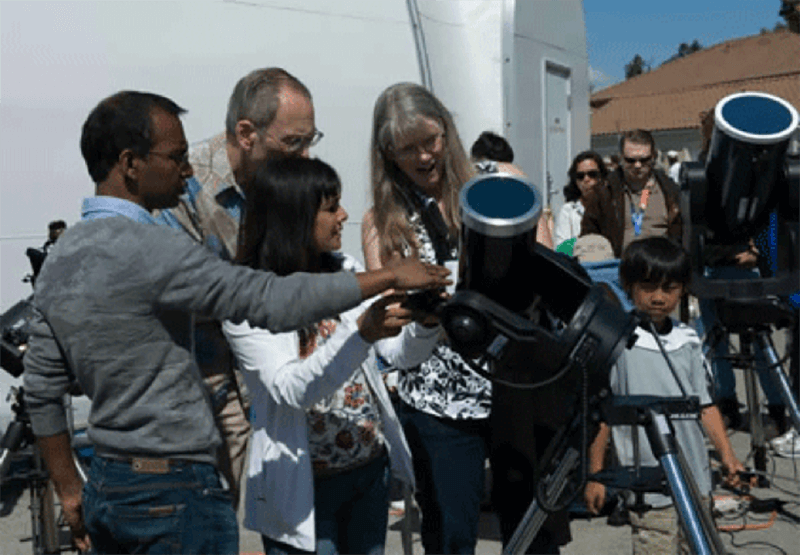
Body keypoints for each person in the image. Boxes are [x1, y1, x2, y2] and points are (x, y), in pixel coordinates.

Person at [22, 90, 449, 555]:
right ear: (130, 163)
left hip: (108, 481)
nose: (187, 172)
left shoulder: (61, 257)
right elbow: (264, 299)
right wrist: (386, 275)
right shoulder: (158, 249)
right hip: (174, 492)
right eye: (177, 158)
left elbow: (42, 385)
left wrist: (69, 487)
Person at [223, 157, 441, 555]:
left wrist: (425, 325)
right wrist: (360, 333)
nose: (344, 215)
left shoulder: (346, 271)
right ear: (294, 217)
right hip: (305, 489)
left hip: (368, 473)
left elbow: (394, 355)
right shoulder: (248, 302)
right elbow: (290, 389)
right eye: (330, 207)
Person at [154, 67, 322, 507]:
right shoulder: (184, 186)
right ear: (246, 133)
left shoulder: (286, 182)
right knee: (208, 507)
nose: (305, 157)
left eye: (310, 140)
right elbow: (185, 291)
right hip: (202, 376)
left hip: (273, 365)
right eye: (292, 142)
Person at [361, 82, 490, 555]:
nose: (423, 157)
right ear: (387, 154)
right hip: (437, 399)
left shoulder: (492, 188)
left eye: (430, 141)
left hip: (513, 384)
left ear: (448, 132)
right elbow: (389, 328)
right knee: (451, 532)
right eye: (406, 149)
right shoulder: (382, 221)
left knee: (533, 526)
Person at [584, 237, 746, 554]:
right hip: (647, 486)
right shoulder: (619, 341)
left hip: (695, 480)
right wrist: (596, 475)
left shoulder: (688, 340)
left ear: (683, 289)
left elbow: (705, 406)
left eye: (669, 288)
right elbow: (604, 415)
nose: (658, 297)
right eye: (648, 287)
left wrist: (728, 456)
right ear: (627, 286)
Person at [581, 129, 682, 258]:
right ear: (621, 158)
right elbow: (589, 236)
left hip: (661, 268)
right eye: (631, 160)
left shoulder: (670, 190)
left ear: (654, 157)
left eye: (644, 160)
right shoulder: (604, 191)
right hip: (617, 267)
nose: (638, 165)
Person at [554, 151, 608, 249]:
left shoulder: (612, 206)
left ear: (602, 176)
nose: (586, 179)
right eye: (580, 176)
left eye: (592, 174)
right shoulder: (569, 210)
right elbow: (561, 248)